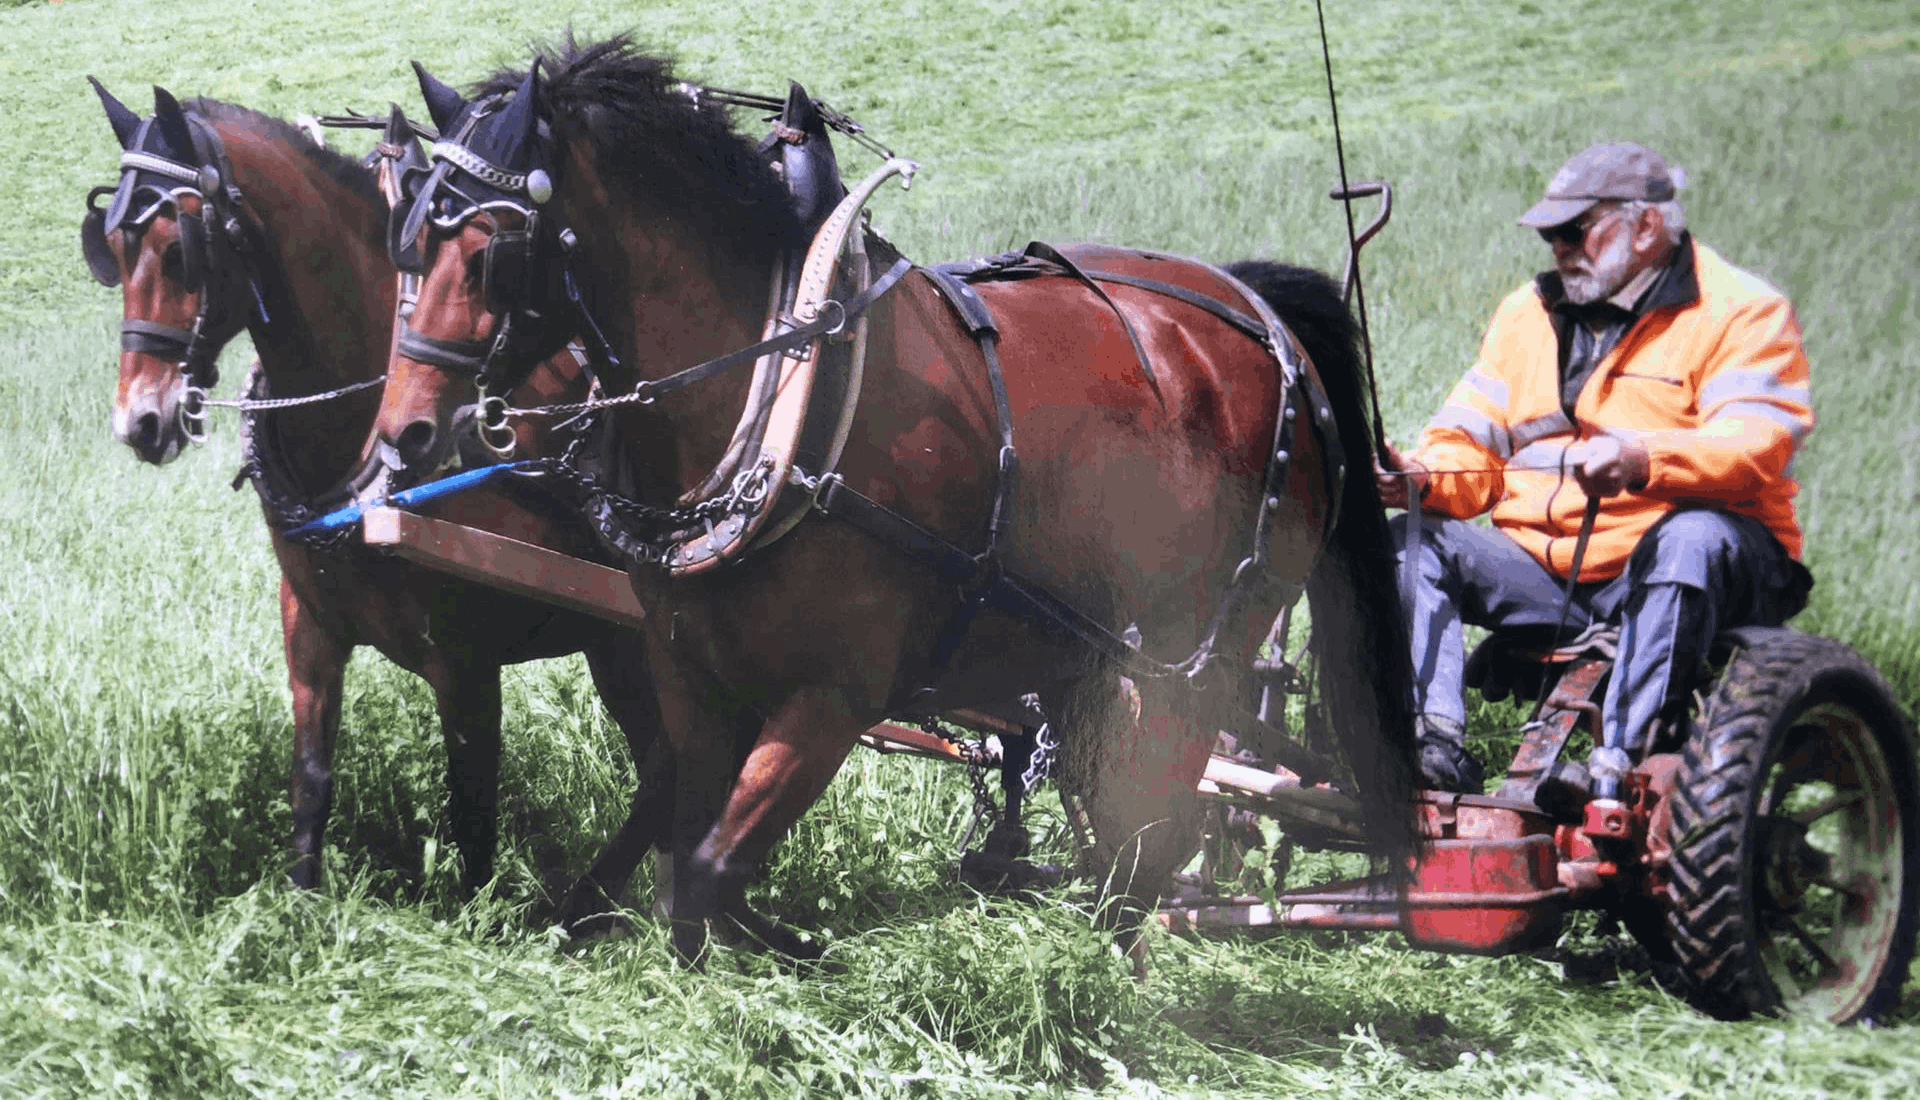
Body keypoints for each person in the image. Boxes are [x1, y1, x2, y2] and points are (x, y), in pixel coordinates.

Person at [1378, 141, 1814, 798]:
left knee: (1687, 540)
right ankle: (1431, 746)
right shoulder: (1526, 316)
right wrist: (1421, 479)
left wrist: (1643, 460)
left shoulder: (1742, 311)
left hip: (1705, 560)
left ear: (1645, 227)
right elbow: (1470, 446)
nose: (1557, 247)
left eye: (1573, 230)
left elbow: (1755, 446)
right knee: (1410, 539)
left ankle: (1619, 767)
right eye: (1550, 233)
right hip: (1551, 574)